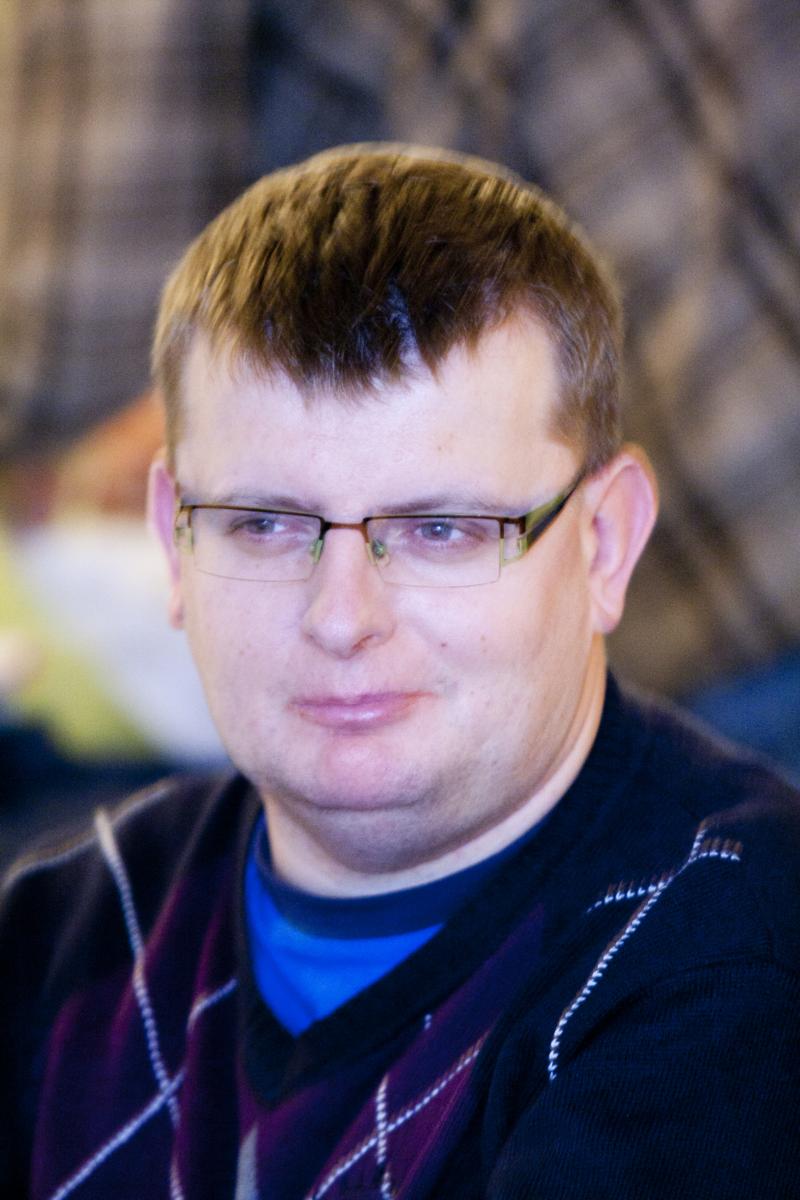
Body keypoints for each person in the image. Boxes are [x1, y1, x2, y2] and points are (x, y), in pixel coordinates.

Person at [2, 145, 799, 1199]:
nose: (341, 619)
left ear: (604, 545)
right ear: (171, 543)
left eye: (440, 529)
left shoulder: (728, 964)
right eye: (264, 524)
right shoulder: (61, 936)